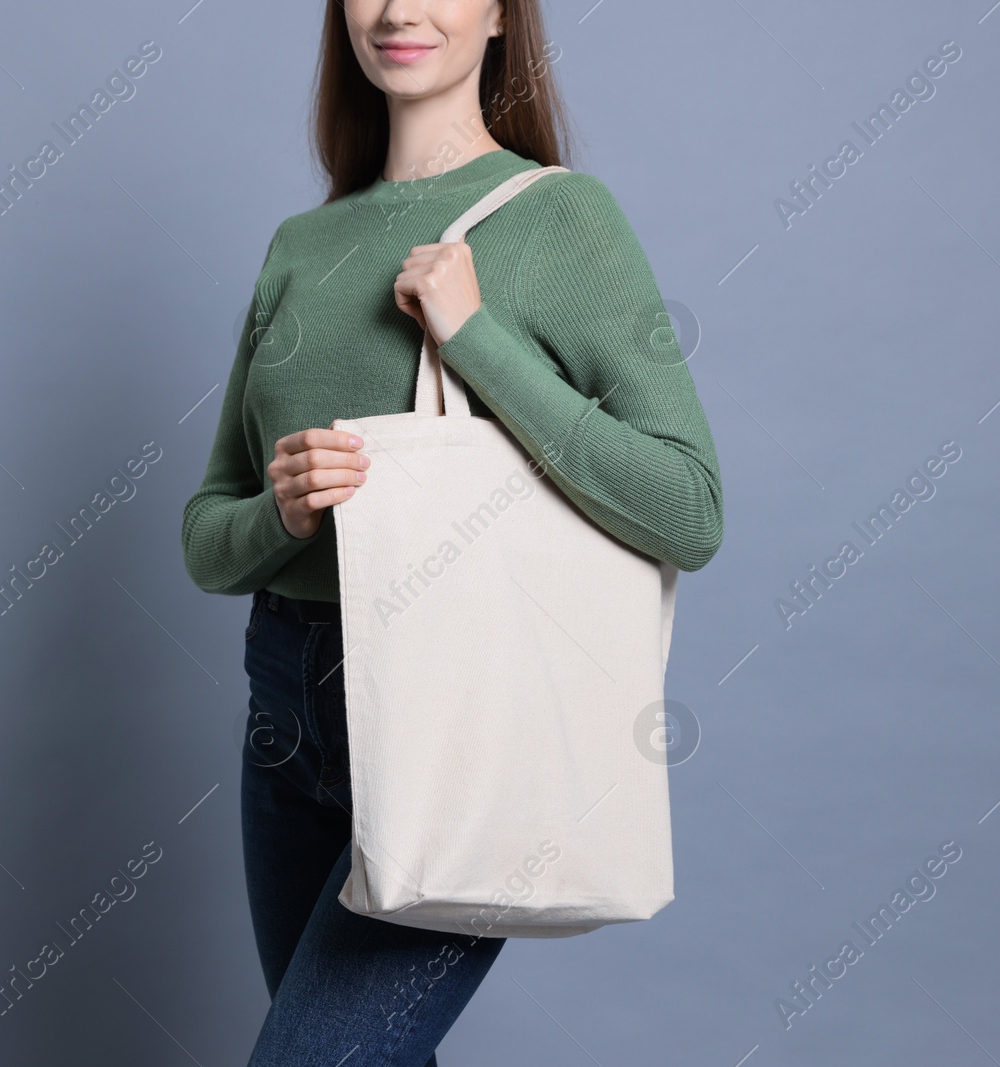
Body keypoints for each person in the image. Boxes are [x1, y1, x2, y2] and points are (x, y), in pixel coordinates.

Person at [181, 1, 724, 1061]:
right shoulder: (301, 245)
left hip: (464, 711)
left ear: (495, 17)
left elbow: (687, 507)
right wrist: (279, 511)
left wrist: (473, 337)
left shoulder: (562, 219)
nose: (397, 9)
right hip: (284, 706)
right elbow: (206, 536)